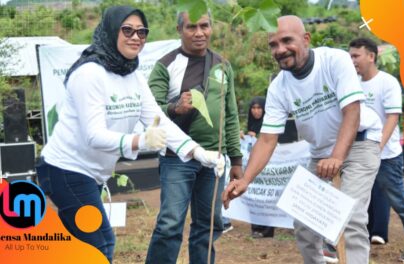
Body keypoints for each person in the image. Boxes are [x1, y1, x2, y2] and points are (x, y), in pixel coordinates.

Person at [35, 6, 222, 263]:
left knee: (83, 245)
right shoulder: (89, 74)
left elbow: (159, 120)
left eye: (142, 31)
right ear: (112, 31)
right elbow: (94, 135)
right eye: (127, 30)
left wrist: (196, 151)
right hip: (64, 170)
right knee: (99, 241)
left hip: (90, 174)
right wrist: (140, 141)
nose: (136, 37)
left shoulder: (132, 75)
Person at [223, 16, 383, 264]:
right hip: (320, 154)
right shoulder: (279, 87)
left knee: (350, 217)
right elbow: (266, 139)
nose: (280, 50)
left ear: (306, 39)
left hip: (360, 144)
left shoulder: (334, 60)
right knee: (304, 220)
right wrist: (245, 179)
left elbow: (353, 111)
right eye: (273, 45)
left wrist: (337, 157)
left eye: (287, 40)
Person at [145, 11, 243, 264]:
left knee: (209, 225)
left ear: (211, 28)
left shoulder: (223, 65)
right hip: (177, 158)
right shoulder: (165, 65)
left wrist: (237, 160)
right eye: (191, 27)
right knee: (170, 224)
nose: (199, 33)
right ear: (179, 30)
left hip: (215, 161)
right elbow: (149, 111)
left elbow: (230, 115)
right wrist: (175, 108)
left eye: (204, 26)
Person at [349, 37, 404, 262]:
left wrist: (377, 148)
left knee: (398, 200)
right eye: (350, 56)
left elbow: (392, 119)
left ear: (371, 56)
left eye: (356, 55)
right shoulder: (352, 82)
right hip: (358, 154)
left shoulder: (387, 82)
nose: (352, 60)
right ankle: (351, 243)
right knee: (355, 199)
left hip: (386, 156)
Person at [245, 96, 276, 238]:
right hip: (254, 167)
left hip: (269, 166)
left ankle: (268, 229)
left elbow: (269, 142)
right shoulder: (251, 124)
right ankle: (256, 227)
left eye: (259, 108)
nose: (256, 111)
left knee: (267, 194)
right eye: (253, 108)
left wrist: (256, 135)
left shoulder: (269, 123)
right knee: (255, 194)